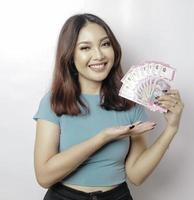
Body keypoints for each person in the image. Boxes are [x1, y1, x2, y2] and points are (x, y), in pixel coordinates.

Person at [32, 13, 184, 200]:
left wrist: (172, 128)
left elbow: (136, 175)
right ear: (70, 55)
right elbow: (44, 177)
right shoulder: (54, 102)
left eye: (105, 44)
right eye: (85, 47)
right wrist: (102, 138)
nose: (99, 55)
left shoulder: (129, 103)